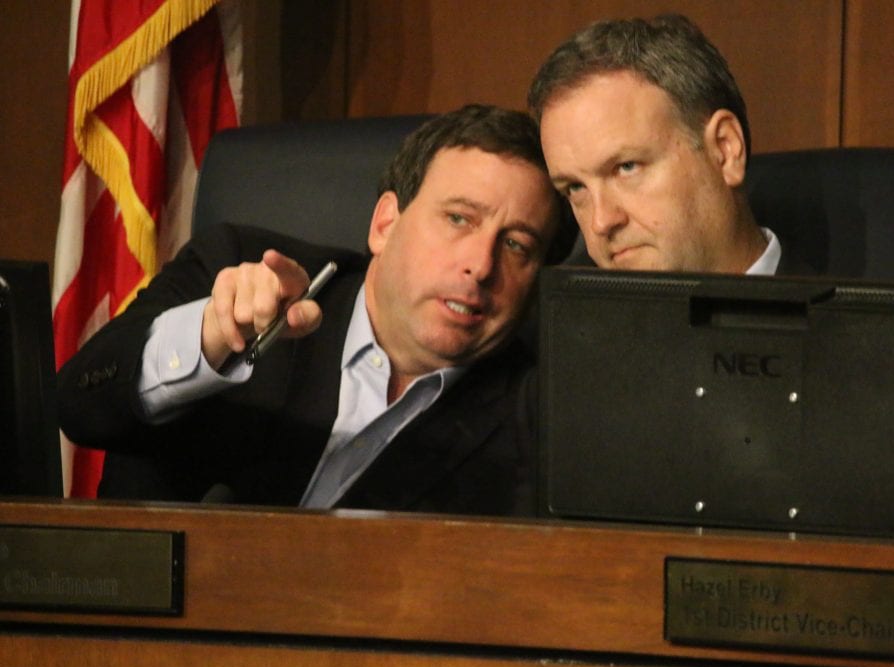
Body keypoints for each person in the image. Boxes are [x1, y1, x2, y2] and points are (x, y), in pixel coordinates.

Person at [57, 104, 575, 515]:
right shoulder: (237, 268)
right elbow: (79, 406)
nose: (481, 265)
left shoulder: (539, 412)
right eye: (459, 218)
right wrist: (210, 339)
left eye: (516, 246)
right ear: (385, 223)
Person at [527, 14, 814, 276]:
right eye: (575, 188)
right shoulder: (569, 330)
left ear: (725, 150)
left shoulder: (846, 330)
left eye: (626, 167)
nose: (600, 223)